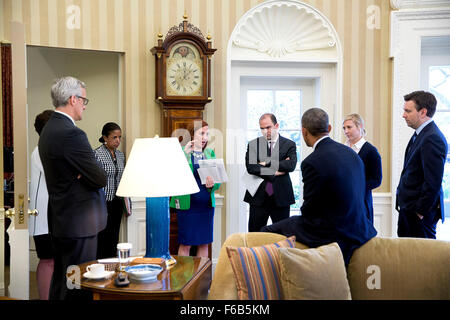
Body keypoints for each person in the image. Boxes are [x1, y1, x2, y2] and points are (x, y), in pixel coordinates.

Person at [261, 108, 377, 265]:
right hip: (361, 227)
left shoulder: (312, 162)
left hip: (332, 230)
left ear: (304, 132)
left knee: (266, 231)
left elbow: (309, 211)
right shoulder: (351, 154)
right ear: (328, 128)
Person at [38, 76, 107, 300]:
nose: (85, 107)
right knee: (77, 285)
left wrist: (81, 174)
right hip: (80, 225)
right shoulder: (72, 133)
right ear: (73, 99)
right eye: (84, 101)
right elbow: (99, 177)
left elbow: (86, 173)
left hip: (64, 220)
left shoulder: (49, 129)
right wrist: (85, 174)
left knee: (63, 281)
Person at [396, 90, 448, 238]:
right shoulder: (421, 134)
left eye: (408, 111)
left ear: (423, 112)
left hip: (419, 215)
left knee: (421, 259)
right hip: (410, 210)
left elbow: (433, 181)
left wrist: (420, 212)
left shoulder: (432, 138)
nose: (403, 115)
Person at [169, 119, 221, 257]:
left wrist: (213, 183)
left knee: (204, 243)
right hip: (188, 206)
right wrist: (185, 155)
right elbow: (176, 176)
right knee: (186, 243)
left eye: (207, 134)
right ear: (192, 135)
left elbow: (218, 181)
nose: (205, 138)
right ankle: (183, 278)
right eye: (201, 134)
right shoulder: (182, 151)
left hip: (206, 206)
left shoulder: (210, 153)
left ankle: (202, 278)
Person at [244, 113, 297, 232]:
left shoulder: (289, 144)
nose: (265, 131)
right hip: (258, 197)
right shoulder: (253, 144)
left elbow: (291, 165)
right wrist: (274, 171)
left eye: (268, 127)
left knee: (281, 237)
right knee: (254, 235)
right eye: (262, 128)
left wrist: (265, 162)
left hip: (281, 197)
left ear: (276, 125)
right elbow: (251, 168)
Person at [94, 122, 130, 259]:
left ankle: (111, 264)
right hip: (102, 203)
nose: (118, 141)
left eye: (119, 137)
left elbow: (123, 178)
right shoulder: (96, 154)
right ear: (105, 138)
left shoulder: (120, 156)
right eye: (114, 137)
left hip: (117, 202)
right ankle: (100, 265)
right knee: (102, 236)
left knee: (114, 235)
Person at [29, 109, 55, 300]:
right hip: (43, 217)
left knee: (54, 261)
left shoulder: (48, 148)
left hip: (54, 215)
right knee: (47, 260)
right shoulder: (41, 150)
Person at [343, 114, 382, 224]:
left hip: (361, 202)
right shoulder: (342, 149)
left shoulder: (371, 151)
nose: (346, 131)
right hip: (343, 202)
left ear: (359, 126)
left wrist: (356, 187)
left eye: (349, 127)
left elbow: (376, 180)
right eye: (344, 128)